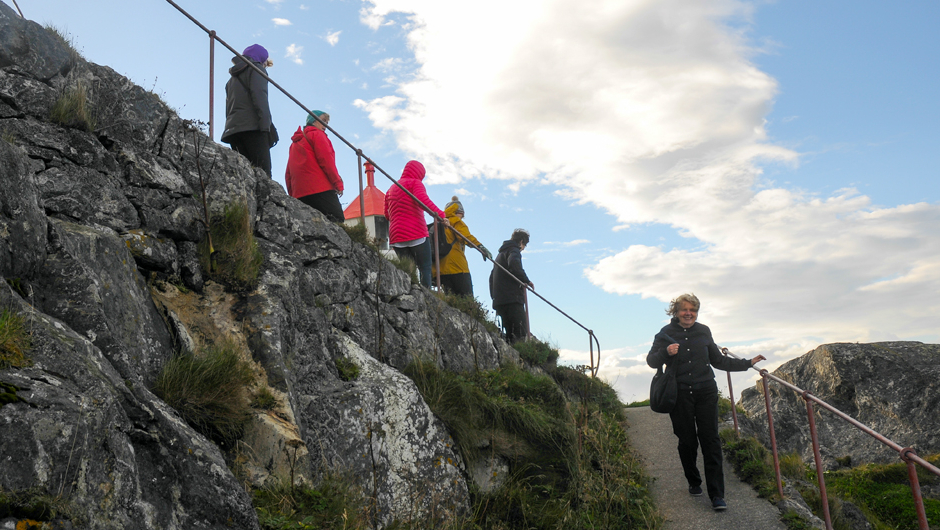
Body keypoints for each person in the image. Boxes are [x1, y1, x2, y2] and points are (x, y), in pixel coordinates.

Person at [647, 293, 766, 512]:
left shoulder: (704, 331)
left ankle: (717, 495)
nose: (689, 313)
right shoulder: (665, 334)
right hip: (680, 395)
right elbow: (651, 361)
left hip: (706, 392)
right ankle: (693, 480)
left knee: (711, 441)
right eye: (684, 309)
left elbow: (718, 360)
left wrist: (748, 363)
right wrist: (665, 352)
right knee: (687, 441)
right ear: (676, 312)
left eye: (693, 310)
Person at [384, 160, 450, 288]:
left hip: (396, 236)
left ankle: (410, 294)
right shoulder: (415, 183)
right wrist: (441, 216)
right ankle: (426, 297)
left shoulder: (391, 189)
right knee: (425, 267)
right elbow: (423, 201)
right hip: (416, 233)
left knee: (408, 270)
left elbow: (387, 215)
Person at [221, 44, 276, 178]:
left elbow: (229, 108)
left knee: (244, 175)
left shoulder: (231, 79)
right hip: (253, 128)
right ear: (261, 59)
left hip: (234, 130)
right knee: (264, 175)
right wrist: (265, 127)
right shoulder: (256, 69)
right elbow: (260, 98)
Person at [285, 111, 345, 222]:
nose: (325, 125)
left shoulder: (294, 143)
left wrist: (292, 195)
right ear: (313, 121)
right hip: (320, 188)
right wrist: (338, 183)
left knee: (308, 224)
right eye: (323, 121)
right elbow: (327, 161)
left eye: (327, 122)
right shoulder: (317, 135)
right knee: (337, 219)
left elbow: (289, 172)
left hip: (300, 193)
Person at [432, 196, 491, 297]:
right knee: (467, 302)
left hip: (440, 270)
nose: (462, 218)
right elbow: (464, 236)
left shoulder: (438, 224)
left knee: (451, 302)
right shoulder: (455, 221)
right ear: (460, 212)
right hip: (458, 268)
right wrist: (480, 246)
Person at [489, 228, 533, 343]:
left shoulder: (500, 255)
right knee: (520, 331)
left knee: (509, 333)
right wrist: (526, 281)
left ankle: (509, 359)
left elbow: (491, 278)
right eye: (525, 245)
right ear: (521, 242)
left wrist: (494, 297)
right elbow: (514, 263)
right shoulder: (514, 250)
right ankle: (518, 360)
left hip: (500, 301)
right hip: (513, 299)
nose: (523, 248)